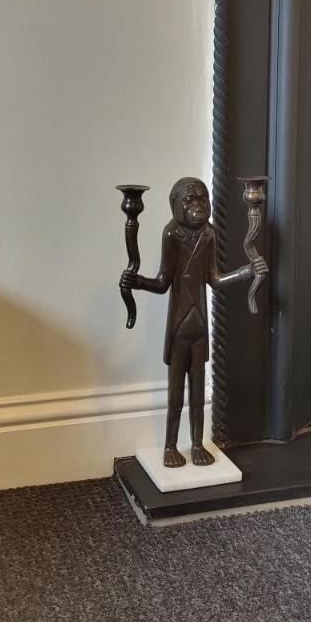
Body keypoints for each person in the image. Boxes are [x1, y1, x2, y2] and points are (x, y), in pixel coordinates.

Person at [121, 177, 268, 467]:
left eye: (202, 199)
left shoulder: (209, 233)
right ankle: (170, 446)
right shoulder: (171, 234)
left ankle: (197, 444)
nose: (198, 205)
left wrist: (246, 272)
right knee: (176, 393)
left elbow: (215, 278)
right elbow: (163, 282)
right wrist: (137, 281)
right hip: (179, 327)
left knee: (198, 392)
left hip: (199, 327)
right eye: (190, 199)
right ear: (176, 204)